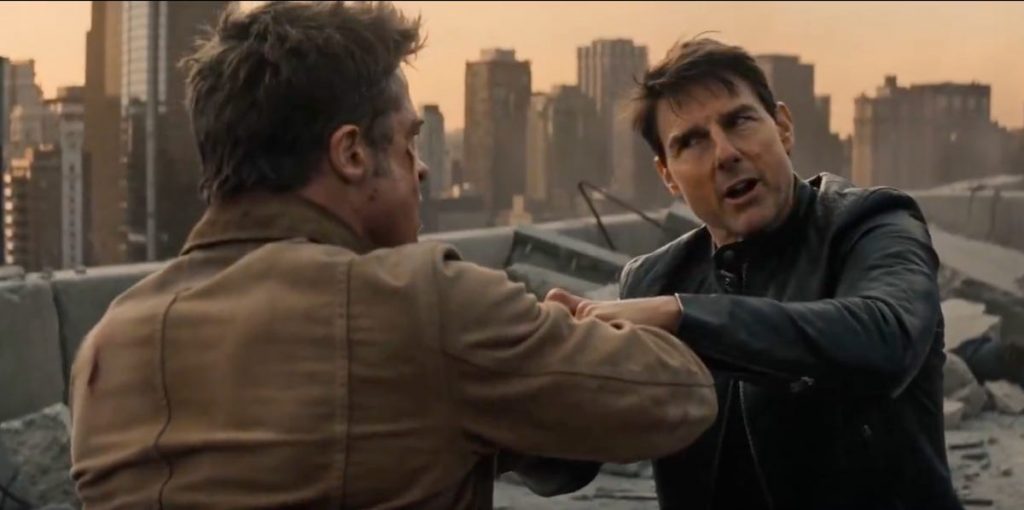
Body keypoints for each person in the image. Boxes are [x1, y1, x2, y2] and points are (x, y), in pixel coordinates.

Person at [67, 3, 717, 509]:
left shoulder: (108, 344)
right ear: (352, 154)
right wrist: (573, 333)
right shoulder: (419, 303)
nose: (422, 169)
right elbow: (679, 398)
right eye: (409, 140)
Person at [543, 38, 962, 509]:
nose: (724, 153)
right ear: (668, 175)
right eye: (692, 141)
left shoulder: (873, 223)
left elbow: (888, 339)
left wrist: (681, 317)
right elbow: (570, 461)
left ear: (782, 127)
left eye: (739, 121)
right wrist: (532, 377)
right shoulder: (655, 278)